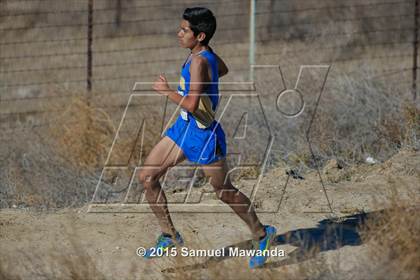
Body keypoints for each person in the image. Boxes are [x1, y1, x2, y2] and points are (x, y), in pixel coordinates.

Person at [139, 7, 277, 268]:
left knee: (224, 192)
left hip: (203, 134)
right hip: (183, 129)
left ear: (200, 36)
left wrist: (166, 90)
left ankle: (262, 234)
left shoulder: (199, 61)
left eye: (184, 30)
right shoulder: (205, 55)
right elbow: (222, 69)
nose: (179, 33)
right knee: (147, 177)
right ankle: (170, 235)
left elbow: (191, 104)